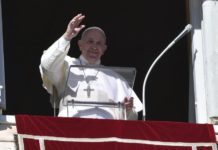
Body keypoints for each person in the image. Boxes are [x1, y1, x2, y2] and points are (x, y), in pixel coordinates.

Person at [40, 13, 142, 120]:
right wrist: (67, 36)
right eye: (90, 41)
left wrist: (128, 110)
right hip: (71, 128)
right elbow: (47, 65)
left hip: (106, 132)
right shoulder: (66, 65)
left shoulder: (115, 78)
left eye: (99, 43)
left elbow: (132, 119)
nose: (94, 46)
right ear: (80, 44)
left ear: (104, 49)